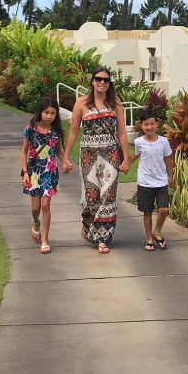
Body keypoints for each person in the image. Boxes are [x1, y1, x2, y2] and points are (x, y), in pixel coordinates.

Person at [63, 66, 131, 254]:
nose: (102, 83)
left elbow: (122, 132)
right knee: (92, 196)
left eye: (106, 80)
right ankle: (89, 227)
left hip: (111, 156)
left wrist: (126, 159)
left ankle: (102, 238)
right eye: (98, 79)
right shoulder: (82, 103)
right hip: (88, 157)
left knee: (107, 195)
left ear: (110, 84)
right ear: (92, 81)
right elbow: (74, 131)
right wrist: (66, 156)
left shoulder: (115, 103)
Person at [21, 95, 66, 255]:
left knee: (46, 205)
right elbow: (24, 151)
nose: (49, 116)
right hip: (34, 173)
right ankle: (36, 223)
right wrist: (25, 172)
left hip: (50, 172)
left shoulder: (56, 132)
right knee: (36, 208)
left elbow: (59, 151)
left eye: (53, 113)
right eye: (46, 112)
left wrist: (65, 161)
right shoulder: (30, 129)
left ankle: (45, 240)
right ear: (40, 112)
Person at [131, 108, 174, 251]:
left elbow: (168, 159)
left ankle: (157, 231)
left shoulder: (163, 142)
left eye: (152, 124)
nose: (149, 127)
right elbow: (135, 156)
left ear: (157, 124)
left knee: (164, 209)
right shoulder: (138, 142)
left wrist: (171, 176)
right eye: (146, 124)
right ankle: (150, 238)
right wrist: (125, 164)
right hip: (144, 182)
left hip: (161, 181)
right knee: (147, 212)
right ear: (141, 126)